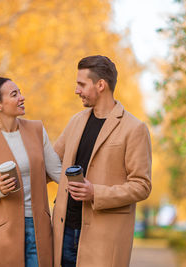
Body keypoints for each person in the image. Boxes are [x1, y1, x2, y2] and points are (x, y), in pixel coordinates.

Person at [52, 56, 152, 267]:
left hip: (104, 239)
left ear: (101, 85)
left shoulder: (134, 128)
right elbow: (50, 163)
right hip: (64, 233)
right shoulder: (76, 121)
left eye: (81, 84)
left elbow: (141, 186)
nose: (76, 90)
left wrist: (95, 193)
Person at [0, 77, 61, 267]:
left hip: (38, 228)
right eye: (14, 94)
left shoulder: (37, 130)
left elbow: (57, 171)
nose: (22, 98)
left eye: (20, 92)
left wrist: (88, 188)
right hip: (1, 234)